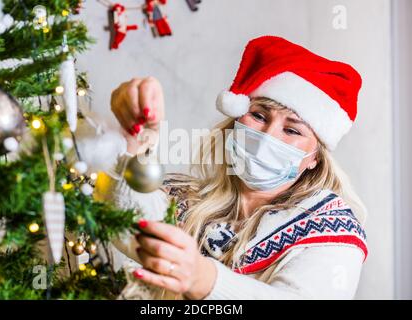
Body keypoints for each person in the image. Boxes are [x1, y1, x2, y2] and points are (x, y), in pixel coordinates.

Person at [106, 35, 368, 299]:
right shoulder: (187, 199)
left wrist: (205, 280)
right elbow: (121, 219)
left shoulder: (331, 229)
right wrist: (133, 141)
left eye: (291, 130)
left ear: (315, 158)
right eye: (258, 115)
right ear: (235, 123)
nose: (267, 138)